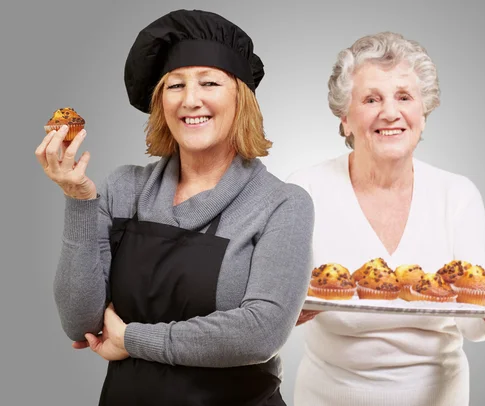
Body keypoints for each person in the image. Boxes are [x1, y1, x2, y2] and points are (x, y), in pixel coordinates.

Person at [34, 9, 314, 406]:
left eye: (209, 82)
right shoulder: (123, 188)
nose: (190, 100)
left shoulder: (282, 204)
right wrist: (79, 201)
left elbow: (259, 333)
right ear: (160, 101)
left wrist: (132, 339)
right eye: (175, 85)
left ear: (242, 99)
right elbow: (80, 323)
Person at [288, 32, 485, 406]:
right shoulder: (303, 191)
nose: (389, 112)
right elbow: (270, 311)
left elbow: (471, 320)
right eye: (371, 99)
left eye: (404, 97)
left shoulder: (457, 195)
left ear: (423, 113)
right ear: (345, 118)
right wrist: (285, 311)